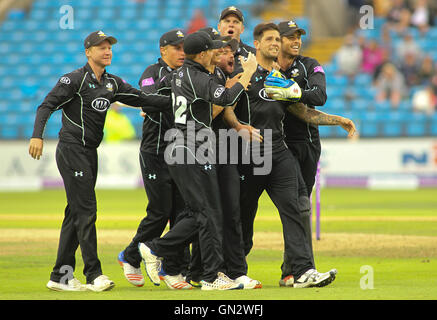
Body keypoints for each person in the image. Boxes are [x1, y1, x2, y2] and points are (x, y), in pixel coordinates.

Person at [28, 30, 171, 292]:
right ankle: (94, 274)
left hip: (89, 153)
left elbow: (143, 98)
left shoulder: (112, 83)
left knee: (75, 213)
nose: (107, 51)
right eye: (101, 47)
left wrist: (177, 101)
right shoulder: (73, 79)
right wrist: (37, 136)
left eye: (109, 47)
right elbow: (45, 106)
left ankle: (60, 276)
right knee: (86, 212)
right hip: (72, 150)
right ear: (88, 52)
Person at [223, 22, 342, 289]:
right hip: (247, 155)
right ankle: (232, 271)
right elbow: (226, 106)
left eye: (278, 39)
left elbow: (300, 111)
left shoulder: (279, 79)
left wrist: (336, 120)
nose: (275, 43)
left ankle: (302, 271)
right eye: (270, 39)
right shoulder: (244, 72)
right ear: (257, 43)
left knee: (296, 209)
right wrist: (239, 127)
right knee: (242, 218)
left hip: (278, 151)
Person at [139, 31, 259, 291]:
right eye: (213, 50)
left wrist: (147, 103)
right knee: (208, 214)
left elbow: (159, 95)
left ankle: (206, 273)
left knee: (204, 214)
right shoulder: (197, 77)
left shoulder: (178, 74)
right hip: (192, 148)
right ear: (203, 54)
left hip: (183, 147)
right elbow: (226, 98)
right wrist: (248, 73)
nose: (217, 53)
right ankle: (168, 255)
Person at [256, 21, 357, 287]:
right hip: (277, 145)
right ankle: (301, 269)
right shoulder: (266, 68)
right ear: (278, 40)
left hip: (307, 143)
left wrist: (290, 91)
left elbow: (319, 95)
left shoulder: (310, 65)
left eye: (299, 35)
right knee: (298, 207)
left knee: (299, 208)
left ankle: (291, 271)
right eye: (290, 36)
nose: (296, 40)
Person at [117, 29, 192, 290]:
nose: (182, 53)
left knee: (182, 213)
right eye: (177, 48)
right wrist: (180, 99)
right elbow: (146, 101)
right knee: (160, 212)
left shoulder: (187, 74)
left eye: (185, 48)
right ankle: (130, 255)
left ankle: (173, 270)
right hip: (155, 152)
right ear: (163, 50)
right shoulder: (152, 73)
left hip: (181, 152)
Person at [217, 6, 256, 76]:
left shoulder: (253, 55)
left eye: (236, 22)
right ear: (219, 27)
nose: (231, 25)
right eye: (227, 21)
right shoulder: (211, 54)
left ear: (242, 29)